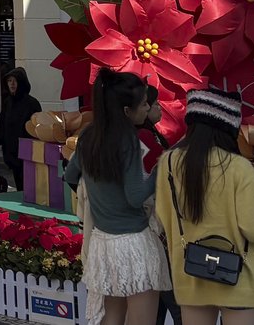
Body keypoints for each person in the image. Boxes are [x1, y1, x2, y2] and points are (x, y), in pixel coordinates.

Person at [154, 89, 254, 325]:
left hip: (191, 274)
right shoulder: (237, 167)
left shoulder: (169, 163)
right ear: (229, 127)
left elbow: (164, 219)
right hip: (240, 275)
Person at [64, 68, 167, 325]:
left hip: (102, 242)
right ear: (126, 110)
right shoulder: (128, 142)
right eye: (143, 103)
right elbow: (135, 196)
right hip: (135, 245)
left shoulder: (88, 136)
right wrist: (160, 170)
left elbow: (70, 175)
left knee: (111, 318)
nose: (147, 108)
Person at [0, 67, 41, 189]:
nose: (12, 84)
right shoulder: (8, 102)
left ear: (21, 83)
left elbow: (36, 130)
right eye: (9, 81)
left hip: (27, 155)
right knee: (20, 187)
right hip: (12, 155)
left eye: (15, 81)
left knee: (28, 188)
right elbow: (2, 127)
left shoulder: (32, 104)